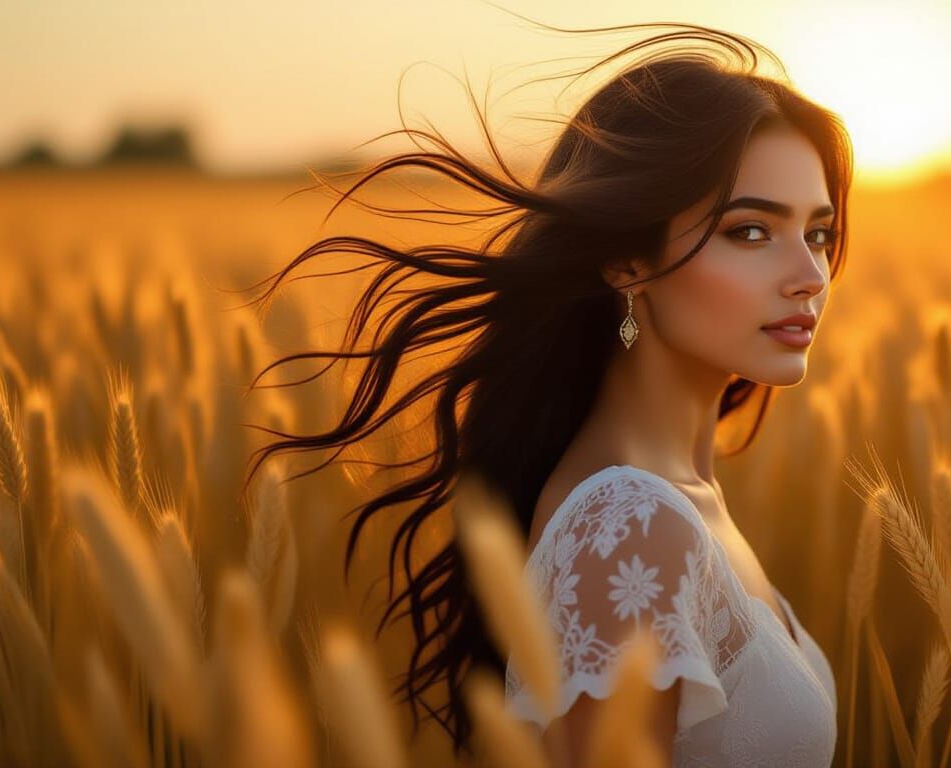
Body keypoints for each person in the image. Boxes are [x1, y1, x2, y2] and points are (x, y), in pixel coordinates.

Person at [242, 16, 851, 768]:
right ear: (626, 260)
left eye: (818, 233)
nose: (810, 275)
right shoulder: (629, 525)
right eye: (751, 232)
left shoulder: (676, 497)